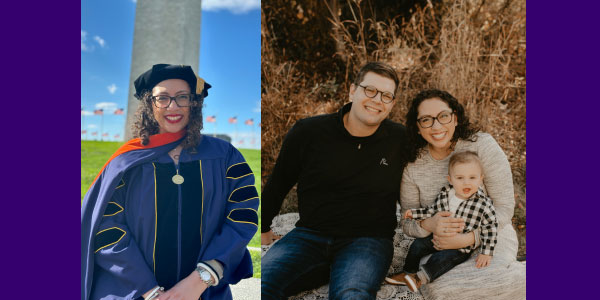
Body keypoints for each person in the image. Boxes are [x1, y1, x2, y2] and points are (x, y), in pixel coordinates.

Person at [81, 64, 259, 300]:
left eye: (182, 97)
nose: (172, 106)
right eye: (162, 98)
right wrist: (149, 290)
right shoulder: (127, 161)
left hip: (205, 292)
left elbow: (242, 214)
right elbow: (107, 227)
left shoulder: (224, 156)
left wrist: (200, 280)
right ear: (149, 104)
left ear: (194, 103)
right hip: (131, 292)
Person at [261, 62, 409, 300]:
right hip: (309, 236)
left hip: (367, 242)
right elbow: (279, 181)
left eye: (386, 95)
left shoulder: (400, 140)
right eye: (370, 90)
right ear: (352, 91)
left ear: (392, 103)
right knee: (261, 284)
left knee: (352, 295)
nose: (377, 100)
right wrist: (263, 226)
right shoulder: (309, 132)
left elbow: (436, 162)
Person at [394, 89, 525, 299]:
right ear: (417, 128)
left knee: (501, 281)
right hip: (439, 244)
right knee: (442, 290)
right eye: (426, 120)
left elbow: (504, 208)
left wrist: (470, 238)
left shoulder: (483, 146)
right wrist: (429, 224)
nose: (436, 126)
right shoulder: (413, 166)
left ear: (455, 118)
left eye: (443, 116)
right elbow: (407, 223)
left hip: (491, 235)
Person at [385, 151, 498, 292]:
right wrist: (414, 213)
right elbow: (432, 211)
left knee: (442, 260)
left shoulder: (484, 204)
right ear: (450, 180)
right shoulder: (446, 194)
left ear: (481, 179)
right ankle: (408, 272)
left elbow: (491, 228)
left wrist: (486, 252)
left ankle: (420, 278)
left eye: (472, 177)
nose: (466, 182)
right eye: (460, 178)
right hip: (437, 236)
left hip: (460, 247)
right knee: (417, 245)